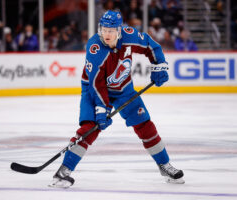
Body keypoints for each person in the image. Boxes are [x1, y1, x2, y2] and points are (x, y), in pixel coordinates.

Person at [49, 10, 184, 188]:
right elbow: (97, 84)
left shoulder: (130, 36)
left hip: (124, 89)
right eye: (104, 29)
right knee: (90, 128)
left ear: (119, 30)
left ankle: (164, 165)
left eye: (111, 30)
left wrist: (159, 66)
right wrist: (101, 110)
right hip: (93, 89)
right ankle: (64, 171)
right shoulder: (95, 49)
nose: (107, 34)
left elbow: (152, 46)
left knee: (144, 124)